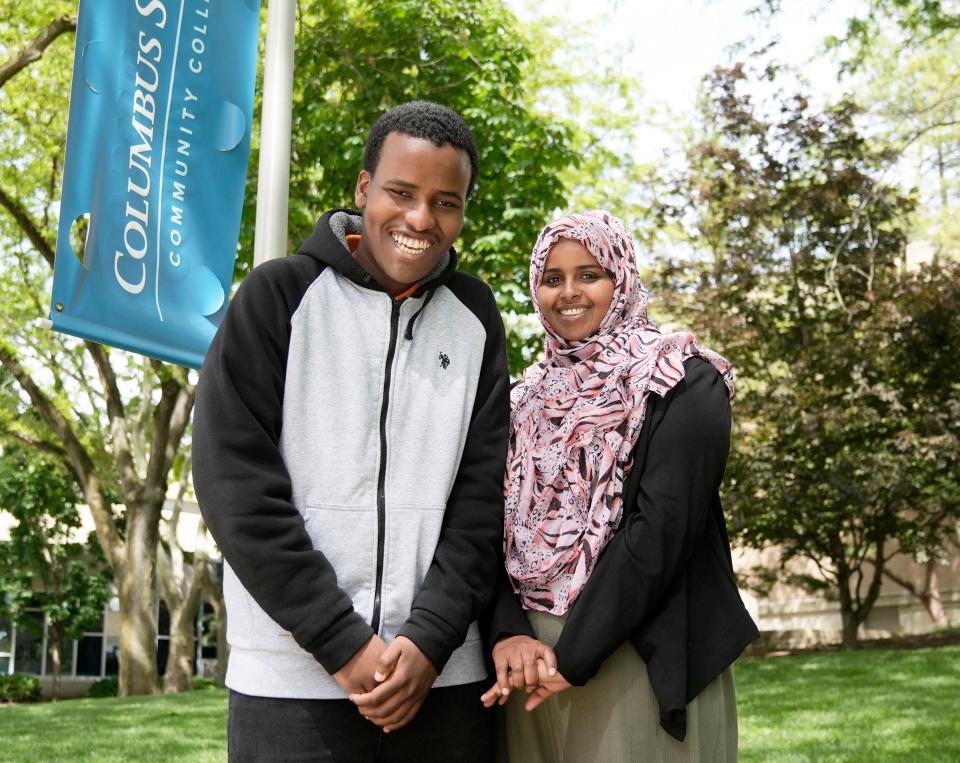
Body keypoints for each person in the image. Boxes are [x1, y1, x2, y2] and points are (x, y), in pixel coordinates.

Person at [193, 101, 510, 762]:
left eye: (446, 202)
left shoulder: (476, 317)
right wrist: (341, 641)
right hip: (289, 681)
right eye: (401, 191)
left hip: (443, 679)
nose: (421, 218)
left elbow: (482, 500)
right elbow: (236, 488)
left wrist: (428, 639)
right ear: (364, 187)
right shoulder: (276, 296)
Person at [480, 211, 759, 762]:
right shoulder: (521, 399)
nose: (568, 293)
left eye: (589, 274)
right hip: (526, 661)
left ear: (622, 278)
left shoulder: (682, 378)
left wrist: (576, 656)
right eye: (552, 278)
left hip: (636, 652)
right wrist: (508, 633)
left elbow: (660, 532)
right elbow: (485, 526)